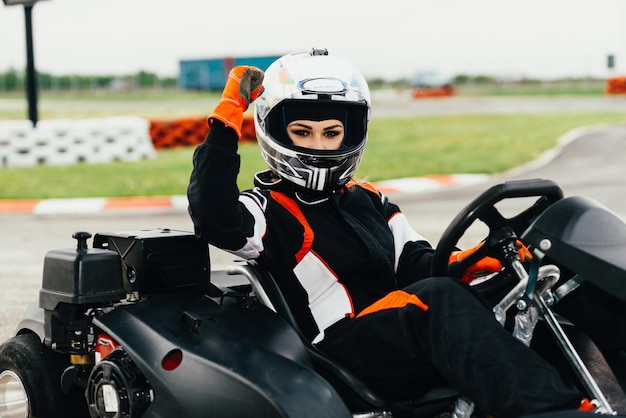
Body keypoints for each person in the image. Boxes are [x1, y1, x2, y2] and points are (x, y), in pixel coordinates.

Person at [187, 49, 588, 417]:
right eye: (302, 132)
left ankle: (592, 393)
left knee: (537, 280)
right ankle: (550, 411)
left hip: (404, 326)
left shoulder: (369, 199)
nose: (320, 145)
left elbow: (416, 260)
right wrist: (226, 119)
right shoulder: (265, 208)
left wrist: (471, 263)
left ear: (351, 133)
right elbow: (213, 219)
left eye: (331, 133)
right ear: (275, 131)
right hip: (340, 350)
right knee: (437, 298)